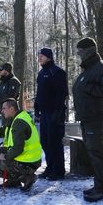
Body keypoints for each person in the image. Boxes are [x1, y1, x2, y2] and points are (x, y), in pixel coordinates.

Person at [72, 37, 103, 202]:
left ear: (88, 51)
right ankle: (98, 185)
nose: (78, 54)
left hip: (96, 117)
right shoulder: (88, 69)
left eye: (80, 51)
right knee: (92, 152)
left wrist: (87, 88)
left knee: (97, 153)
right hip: (86, 117)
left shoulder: (101, 68)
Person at [0, 98, 42, 192]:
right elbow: (2, 132)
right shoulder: (15, 118)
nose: (2, 111)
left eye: (4, 108)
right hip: (25, 155)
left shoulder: (19, 123)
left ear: (11, 109)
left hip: (29, 161)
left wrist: (5, 156)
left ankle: (27, 177)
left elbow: (18, 148)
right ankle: (14, 180)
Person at [34, 48, 68, 181]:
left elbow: (62, 93)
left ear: (49, 57)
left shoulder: (57, 72)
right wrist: (37, 109)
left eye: (42, 56)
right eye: (39, 56)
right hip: (44, 113)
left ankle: (58, 170)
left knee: (54, 141)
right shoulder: (41, 73)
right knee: (44, 141)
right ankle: (50, 167)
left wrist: (57, 111)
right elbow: (39, 93)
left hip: (55, 112)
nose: (40, 58)